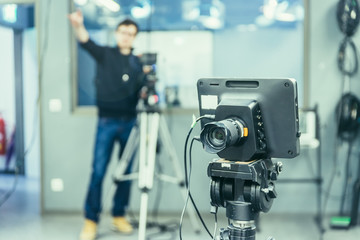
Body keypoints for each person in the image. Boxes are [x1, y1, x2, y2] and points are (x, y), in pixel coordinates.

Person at [68, 10, 148, 240]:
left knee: (125, 173)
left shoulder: (138, 61)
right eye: (123, 32)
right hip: (106, 121)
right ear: (116, 33)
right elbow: (85, 40)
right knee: (99, 171)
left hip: (130, 122)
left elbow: (144, 92)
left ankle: (118, 215)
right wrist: (77, 24)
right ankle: (91, 220)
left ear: (134, 37)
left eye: (131, 34)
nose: (126, 36)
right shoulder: (105, 54)